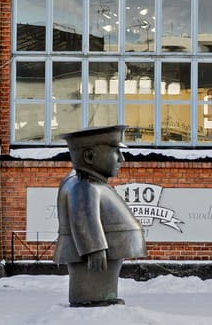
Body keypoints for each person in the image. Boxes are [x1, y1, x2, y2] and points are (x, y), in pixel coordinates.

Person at [53, 124, 147, 306]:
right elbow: (84, 219)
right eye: (116, 151)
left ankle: (101, 296)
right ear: (89, 156)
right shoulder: (84, 186)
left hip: (108, 252)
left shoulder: (90, 184)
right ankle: (92, 299)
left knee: (105, 279)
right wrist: (94, 249)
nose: (122, 159)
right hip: (95, 257)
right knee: (94, 279)